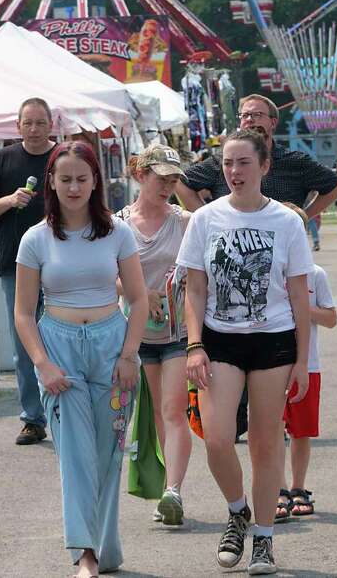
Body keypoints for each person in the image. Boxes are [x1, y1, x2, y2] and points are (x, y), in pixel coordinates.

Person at [177, 129, 312, 576]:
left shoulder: (287, 223)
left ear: (264, 167)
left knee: (264, 441)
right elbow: (194, 287)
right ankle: (238, 511)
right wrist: (194, 345)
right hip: (219, 339)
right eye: (228, 164)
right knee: (216, 439)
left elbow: (298, 296)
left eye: (243, 163)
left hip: (274, 341)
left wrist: (303, 361)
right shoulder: (205, 219)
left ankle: (265, 540)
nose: (234, 172)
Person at [14, 141, 148, 578]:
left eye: (82, 178)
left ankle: (105, 549)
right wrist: (43, 364)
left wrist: (130, 354)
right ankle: (84, 554)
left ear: (96, 182)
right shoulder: (35, 239)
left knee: (109, 454)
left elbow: (139, 298)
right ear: (51, 181)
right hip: (59, 347)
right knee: (75, 455)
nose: (74, 187)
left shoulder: (118, 233)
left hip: (112, 346)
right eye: (65, 178)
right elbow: (22, 312)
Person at [116, 144, 194, 527]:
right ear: (140, 174)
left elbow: (199, 274)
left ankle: (173, 491)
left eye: (173, 179)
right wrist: (138, 292)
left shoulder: (185, 222)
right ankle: (164, 487)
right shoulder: (119, 224)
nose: (167, 186)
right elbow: (103, 275)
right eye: (160, 178)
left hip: (178, 331)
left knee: (174, 410)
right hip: (135, 333)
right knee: (154, 416)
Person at [0, 97, 58, 446]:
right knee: (24, 342)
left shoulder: (63, 158)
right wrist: (9, 200)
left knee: (60, 337)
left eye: (40, 123)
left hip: (62, 263)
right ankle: (33, 418)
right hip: (15, 263)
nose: (34, 130)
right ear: (18, 125)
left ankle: (66, 410)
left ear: (51, 124)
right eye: (28, 123)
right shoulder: (2, 160)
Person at [176, 95, 337, 223]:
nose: (250, 119)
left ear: (273, 122)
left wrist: (302, 215)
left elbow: (336, 185)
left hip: (281, 246)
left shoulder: (295, 162)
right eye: (245, 115)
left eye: (257, 114)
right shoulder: (222, 161)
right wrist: (206, 217)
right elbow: (180, 180)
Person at [275, 204, 337, 523]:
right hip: (270, 362)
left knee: (300, 431)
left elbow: (331, 318)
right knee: (271, 429)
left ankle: (299, 488)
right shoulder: (267, 270)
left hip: (307, 363)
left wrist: (301, 308)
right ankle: (279, 490)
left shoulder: (316, 274)